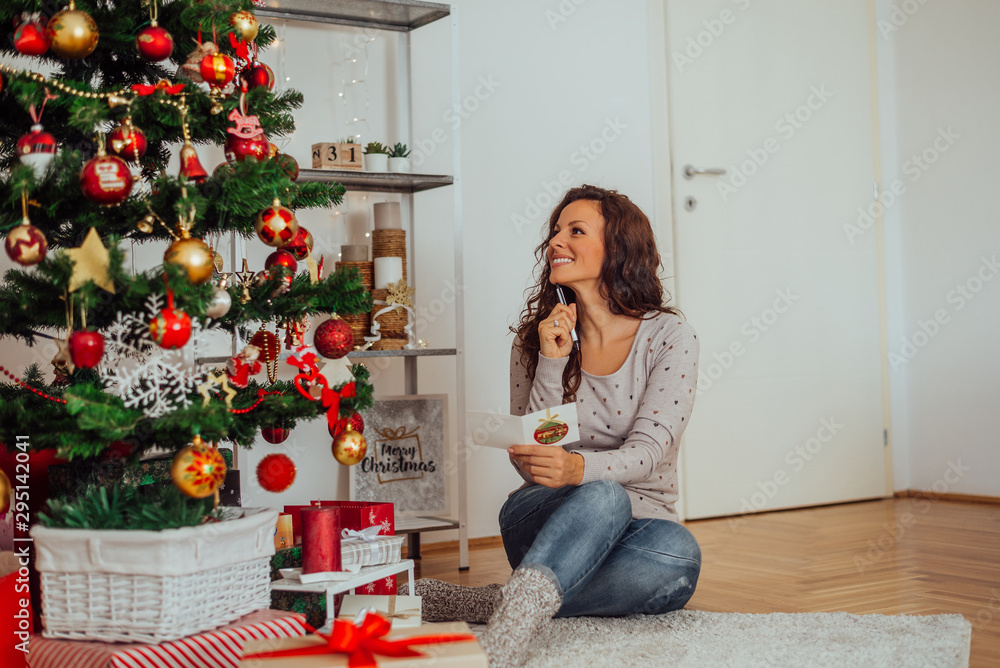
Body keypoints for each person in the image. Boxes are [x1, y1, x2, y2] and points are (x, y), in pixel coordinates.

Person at [406, 185, 702, 668]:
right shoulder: (537, 340)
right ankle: (510, 635)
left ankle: (494, 603)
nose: (556, 243)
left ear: (619, 250)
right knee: (604, 495)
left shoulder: (669, 338)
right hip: (544, 516)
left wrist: (576, 467)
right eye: (555, 232)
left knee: (679, 558)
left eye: (576, 231)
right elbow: (534, 463)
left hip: (642, 527)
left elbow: (650, 452)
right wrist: (551, 360)